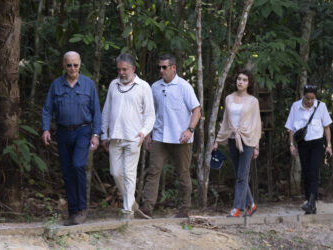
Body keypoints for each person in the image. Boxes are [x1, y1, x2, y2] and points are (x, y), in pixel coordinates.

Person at [138, 54, 201, 219]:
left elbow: (196, 110)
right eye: (159, 67)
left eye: (164, 67)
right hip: (159, 136)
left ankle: (184, 210)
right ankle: (147, 208)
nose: (161, 70)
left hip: (181, 138)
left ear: (173, 68)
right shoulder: (155, 87)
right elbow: (151, 113)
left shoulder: (184, 86)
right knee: (153, 171)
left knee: (183, 173)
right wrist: (148, 135)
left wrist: (190, 130)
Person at [42, 51, 101, 226]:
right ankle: (73, 212)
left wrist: (96, 134)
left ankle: (82, 208)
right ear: (64, 66)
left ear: (80, 65)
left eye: (75, 65)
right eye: (69, 65)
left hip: (83, 131)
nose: (72, 68)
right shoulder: (56, 85)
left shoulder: (89, 85)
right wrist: (45, 129)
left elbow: (96, 111)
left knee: (78, 166)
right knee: (67, 173)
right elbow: (47, 109)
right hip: (62, 132)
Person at [101, 53, 155, 218]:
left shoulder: (143, 86)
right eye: (119, 69)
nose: (122, 72)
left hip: (134, 137)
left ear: (133, 69)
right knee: (116, 173)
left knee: (129, 173)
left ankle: (127, 211)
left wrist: (144, 132)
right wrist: (104, 134)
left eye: (125, 69)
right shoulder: (113, 85)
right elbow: (106, 111)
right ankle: (131, 203)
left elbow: (150, 115)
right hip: (115, 137)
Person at [213, 69, 261, 217]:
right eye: (239, 79)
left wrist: (256, 145)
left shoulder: (253, 101)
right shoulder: (229, 98)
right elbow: (225, 121)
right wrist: (218, 140)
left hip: (247, 140)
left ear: (249, 83)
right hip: (233, 138)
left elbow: (257, 123)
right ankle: (251, 205)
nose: (241, 82)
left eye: (244, 80)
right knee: (238, 174)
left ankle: (237, 208)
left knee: (242, 175)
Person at [285, 84, 332, 214]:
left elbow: (327, 127)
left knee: (314, 171)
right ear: (303, 95)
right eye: (307, 98)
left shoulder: (321, 106)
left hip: (317, 143)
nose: (309, 101)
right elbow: (290, 128)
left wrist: (329, 146)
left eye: (312, 98)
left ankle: (311, 202)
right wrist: (291, 144)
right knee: (306, 172)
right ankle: (310, 203)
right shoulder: (295, 106)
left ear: (315, 96)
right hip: (303, 144)